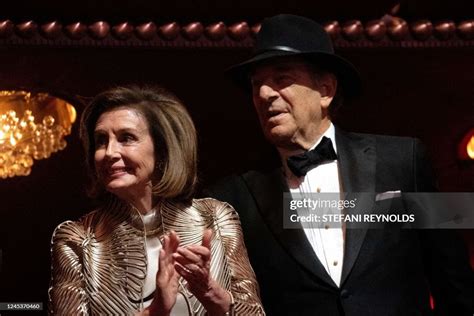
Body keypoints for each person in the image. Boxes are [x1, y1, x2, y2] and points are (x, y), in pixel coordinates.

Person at [205, 14, 474, 315]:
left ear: (326, 90)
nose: (264, 94)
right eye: (257, 85)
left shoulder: (405, 158)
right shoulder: (234, 197)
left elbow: (455, 279)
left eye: (281, 79)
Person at [48, 86, 265, 315]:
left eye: (126, 138)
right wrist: (156, 310)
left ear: (162, 150)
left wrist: (214, 296)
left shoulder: (216, 217)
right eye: (101, 141)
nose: (109, 152)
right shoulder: (77, 239)